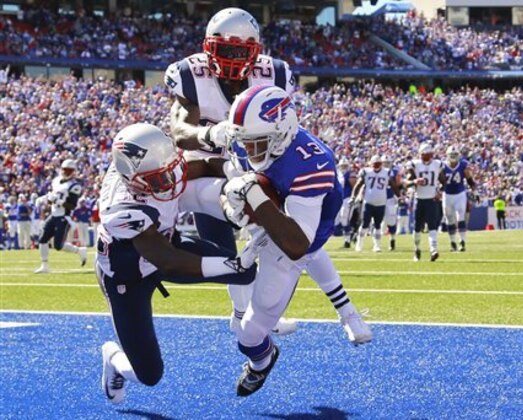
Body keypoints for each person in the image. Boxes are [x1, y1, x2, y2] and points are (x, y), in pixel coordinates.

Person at [220, 85, 372, 397]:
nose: (248, 151)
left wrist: (253, 197)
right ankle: (347, 312)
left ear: (282, 130)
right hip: (277, 212)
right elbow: (236, 175)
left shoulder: (308, 163)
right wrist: (232, 199)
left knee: (248, 334)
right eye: (245, 143)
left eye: (256, 143)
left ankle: (262, 362)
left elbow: (298, 243)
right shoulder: (251, 139)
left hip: (305, 228)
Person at [97, 123, 257, 404]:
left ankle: (249, 321)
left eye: (173, 168)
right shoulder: (121, 208)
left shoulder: (155, 163)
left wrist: (241, 174)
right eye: (160, 178)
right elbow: (167, 262)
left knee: (247, 274)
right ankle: (113, 358)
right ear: (134, 180)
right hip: (129, 277)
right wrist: (232, 266)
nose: (172, 180)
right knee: (150, 375)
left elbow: (203, 166)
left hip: (167, 243)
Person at [165, 7, 298, 335]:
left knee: (273, 242)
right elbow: (179, 130)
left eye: (241, 51)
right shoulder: (191, 75)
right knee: (225, 254)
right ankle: (242, 313)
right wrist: (210, 134)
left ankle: (259, 315)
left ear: (255, 51)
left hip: (253, 168)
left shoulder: (274, 75)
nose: (233, 59)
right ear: (209, 47)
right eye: (226, 50)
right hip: (205, 171)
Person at [34, 160, 87, 273]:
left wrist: (58, 201)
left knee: (58, 245)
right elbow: (51, 199)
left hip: (64, 216)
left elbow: (72, 206)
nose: (66, 172)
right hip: (53, 215)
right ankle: (44, 266)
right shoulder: (56, 181)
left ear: (73, 172)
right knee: (42, 239)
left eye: (69, 170)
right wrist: (45, 199)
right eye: (65, 169)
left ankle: (79, 250)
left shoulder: (75, 185)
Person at [351, 155, 399, 252]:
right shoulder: (366, 172)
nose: (376, 166)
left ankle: (377, 245)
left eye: (378, 164)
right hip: (368, 201)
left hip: (381, 202)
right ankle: (359, 244)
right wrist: (353, 196)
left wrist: (399, 195)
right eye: (375, 164)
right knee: (365, 224)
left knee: (378, 225)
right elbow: (358, 184)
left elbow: (393, 185)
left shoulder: (387, 172)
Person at [405, 143, 443, 262]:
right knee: (417, 227)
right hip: (419, 199)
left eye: (428, 155)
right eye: (424, 155)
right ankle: (417, 250)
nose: (426, 157)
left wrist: (440, 191)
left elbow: (444, 181)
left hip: (431, 199)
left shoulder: (437, 164)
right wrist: (415, 181)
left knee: (432, 226)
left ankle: (433, 250)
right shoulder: (414, 164)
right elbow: (406, 182)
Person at [442, 146, 478, 252]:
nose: (453, 157)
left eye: (455, 155)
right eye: (451, 155)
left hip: (459, 194)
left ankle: (462, 241)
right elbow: (439, 180)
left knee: (460, 217)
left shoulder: (463, 165)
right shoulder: (442, 166)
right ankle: (453, 242)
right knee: (449, 219)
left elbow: (470, 180)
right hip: (447, 194)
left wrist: (475, 193)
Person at [382, 155, 402, 251]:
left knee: (391, 220)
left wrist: (399, 196)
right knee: (375, 221)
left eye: (387, 163)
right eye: (384, 163)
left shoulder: (394, 171)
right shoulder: (374, 171)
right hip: (378, 199)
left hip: (390, 198)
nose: (386, 165)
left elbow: (398, 185)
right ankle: (376, 244)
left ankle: (392, 240)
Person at [337, 157, 357, 248]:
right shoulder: (338, 174)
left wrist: (354, 197)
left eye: (345, 165)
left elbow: (354, 185)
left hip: (348, 199)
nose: (344, 167)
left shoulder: (350, 174)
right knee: (342, 219)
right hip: (340, 199)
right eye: (342, 166)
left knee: (345, 219)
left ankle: (348, 241)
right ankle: (350, 237)